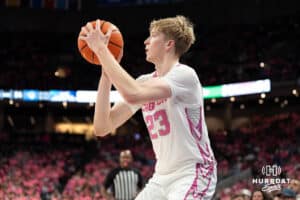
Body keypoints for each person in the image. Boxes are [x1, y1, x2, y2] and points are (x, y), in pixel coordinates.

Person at [80, 15, 217, 199]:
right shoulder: (144, 81)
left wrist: (101, 49)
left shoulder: (185, 75)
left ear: (169, 44)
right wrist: (106, 73)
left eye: (152, 36)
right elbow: (102, 126)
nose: (146, 41)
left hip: (193, 172)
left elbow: (133, 93)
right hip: (161, 177)